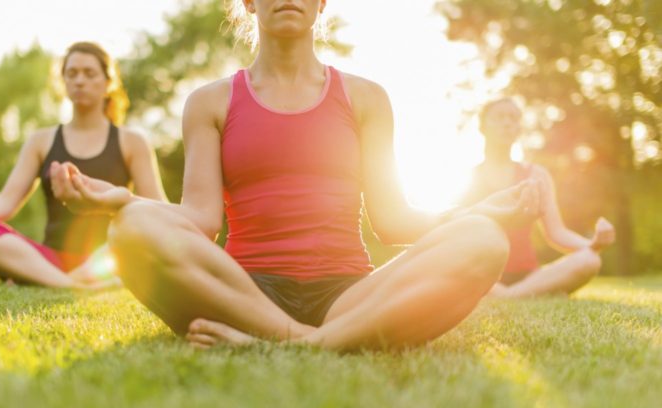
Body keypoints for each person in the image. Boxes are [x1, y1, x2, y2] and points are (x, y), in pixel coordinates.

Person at [51, 0, 539, 351]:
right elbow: (199, 220)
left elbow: (394, 220)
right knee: (132, 227)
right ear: (248, 3)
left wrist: (477, 211)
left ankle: (305, 343)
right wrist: (119, 200)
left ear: (322, 3)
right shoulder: (210, 102)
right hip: (244, 293)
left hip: (348, 295)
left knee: (484, 239)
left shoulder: (367, 98)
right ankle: (312, 341)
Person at [0, 42, 166, 288]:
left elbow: (157, 209)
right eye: (72, 74)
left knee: (142, 238)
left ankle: (46, 280)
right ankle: (71, 283)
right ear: (63, 82)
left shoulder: (132, 142)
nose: (80, 81)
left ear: (108, 82)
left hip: (110, 257)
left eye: (89, 73)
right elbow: (7, 200)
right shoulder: (41, 140)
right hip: (50, 260)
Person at [462, 97, 615, 298]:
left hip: (530, 276)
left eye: (513, 118)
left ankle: (509, 296)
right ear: (482, 126)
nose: (507, 123)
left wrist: (593, 244)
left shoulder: (537, 175)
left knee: (590, 260)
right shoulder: (467, 179)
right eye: (499, 117)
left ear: (519, 129)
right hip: (483, 274)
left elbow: (556, 233)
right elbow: (459, 237)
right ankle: (519, 294)